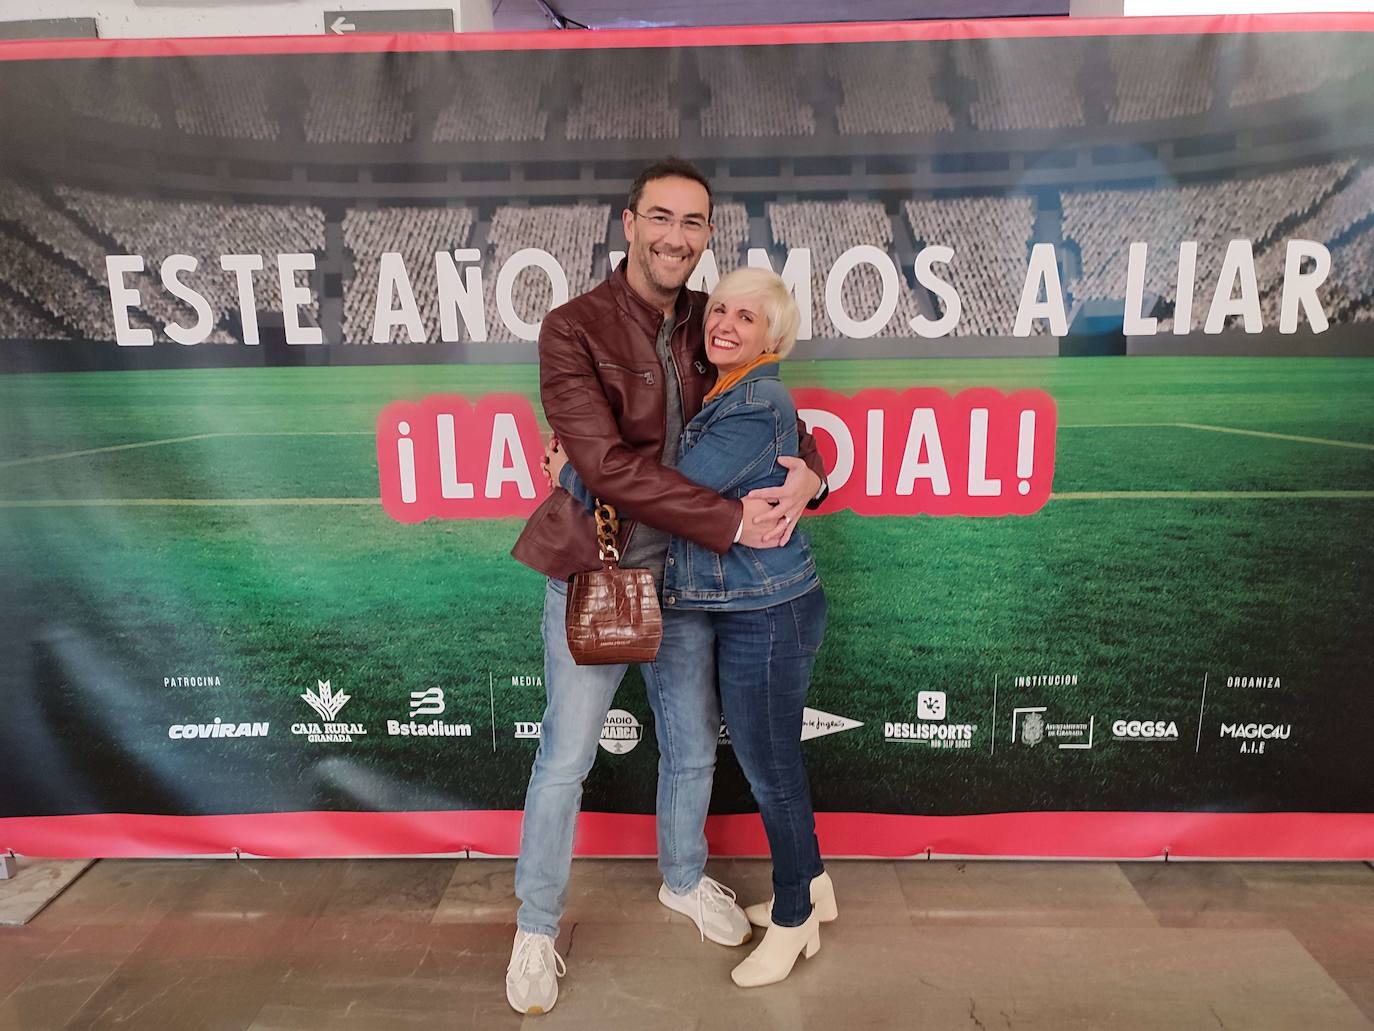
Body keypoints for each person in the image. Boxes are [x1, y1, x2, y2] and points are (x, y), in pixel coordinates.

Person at [505, 158, 828, 1015]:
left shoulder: (706, 319)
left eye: (693, 223)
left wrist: (812, 478)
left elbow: (763, 406)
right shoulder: (572, 327)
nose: (676, 237)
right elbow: (606, 466)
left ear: (707, 236)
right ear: (630, 222)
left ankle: (683, 879)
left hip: (687, 582)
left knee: (692, 749)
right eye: (661, 218)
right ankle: (536, 926)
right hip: (599, 569)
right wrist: (724, 519)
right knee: (566, 755)